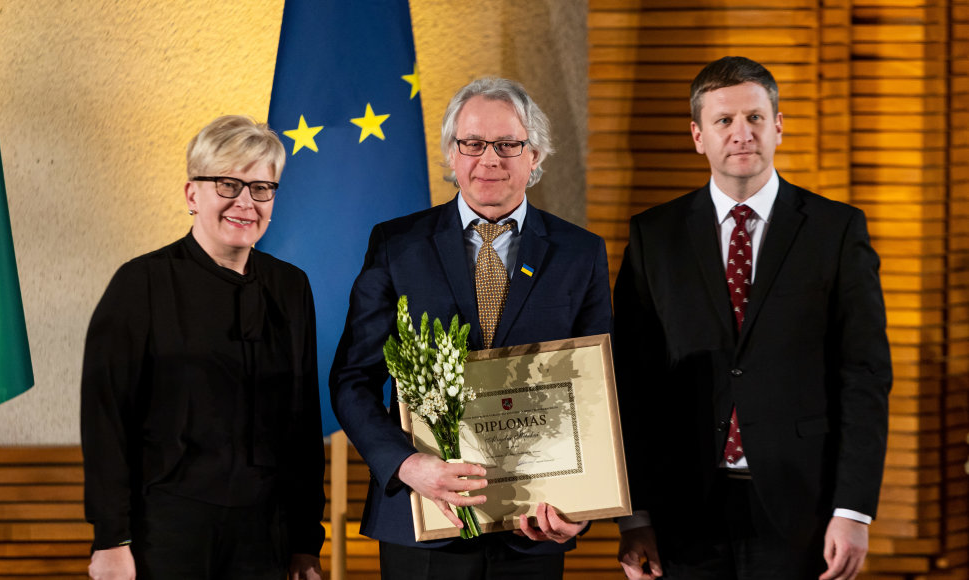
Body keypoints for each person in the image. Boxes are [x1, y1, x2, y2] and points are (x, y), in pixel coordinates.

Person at [613, 56, 892, 580]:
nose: (741, 134)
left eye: (755, 118)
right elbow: (633, 383)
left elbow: (865, 377)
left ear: (778, 126)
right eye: (723, 121)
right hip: (682, 511)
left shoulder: (836, 231)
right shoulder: (654, 236)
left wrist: (853, 510)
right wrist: (636, 517)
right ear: (698, 136)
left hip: (802, 511)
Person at [329, 77, 612, 579]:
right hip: (423, 523)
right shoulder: (397, 245)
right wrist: (406, 465)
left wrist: (582, 507)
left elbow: (599, 390)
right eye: (473, 144)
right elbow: (352, 380)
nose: (490, 159)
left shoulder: (580, 252)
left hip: (535, 526)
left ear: (535, 155)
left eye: (508, 144)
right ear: (452, 154)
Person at [81, 115, 325, 580]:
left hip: (265, 534)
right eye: (228, 185)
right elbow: (105, 419)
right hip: (167, 531)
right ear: (193, 195)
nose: (246, 203)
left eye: (261, 188)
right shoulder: (142, 283)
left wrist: (305, 543)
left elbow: (302, 424)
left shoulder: (291, 287)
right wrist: (111, 539)